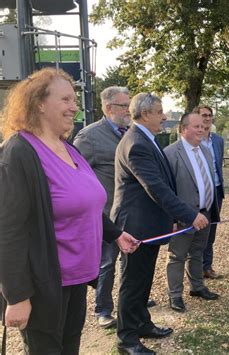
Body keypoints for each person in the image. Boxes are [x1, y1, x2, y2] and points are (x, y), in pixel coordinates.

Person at [0, 68, 139, 355]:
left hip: (75, 277)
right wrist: (17, 295)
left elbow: (84, 202)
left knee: (69, 349)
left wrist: (115, 234)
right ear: (39, 103)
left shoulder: (67, 148)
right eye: (65, 99)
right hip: (44, 284)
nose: (74, 107)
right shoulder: (20, 152)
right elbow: (8, 230)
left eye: (74, 99)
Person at [111, 93, 208, 354]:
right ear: (145, 115)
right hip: (135, 226)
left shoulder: (146, 139)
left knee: (143, 280)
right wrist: (189, 214)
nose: (165, 116)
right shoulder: (136, 143)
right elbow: (156, 188)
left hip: (148, 224)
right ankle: (127, 340)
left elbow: (163, 185)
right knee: (132, 283)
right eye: (160, 111)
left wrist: (172, 218)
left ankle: (141, 323)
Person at [74, 86, 131, 329]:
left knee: (131, 260)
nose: (129, 110)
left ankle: (130, 300)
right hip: (107, 215)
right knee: (107, 263)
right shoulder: (89, 137)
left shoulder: (130, 132)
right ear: (109, 108)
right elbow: (76, 176)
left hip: (130, 211)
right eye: (123, 106)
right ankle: (103, 309)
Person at [164, 112, 220, 313]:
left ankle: (197, 287)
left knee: (197, 252)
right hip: (183, 217)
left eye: (204, 127)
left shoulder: (204, 151)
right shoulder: (170, 153)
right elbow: (166, 190)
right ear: (183, 128)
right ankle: (175, 295)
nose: (202, 130)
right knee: (177, 256)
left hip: (205, 214)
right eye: (197, 126)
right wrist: (171, 218)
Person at [192, 105, 225, 279]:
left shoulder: (218, 140)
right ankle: (194, 268)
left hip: (216, 190)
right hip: (199, 192)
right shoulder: (192, 139)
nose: (207, 118)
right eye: (203, 115)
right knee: (198, 231)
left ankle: (207, 266)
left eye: (210, 115)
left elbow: (218, 165)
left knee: (211, 230)